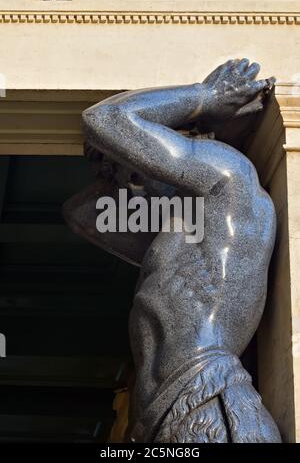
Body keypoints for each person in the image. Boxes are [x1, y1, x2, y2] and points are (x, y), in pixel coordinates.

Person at [64, 59, 281, 442]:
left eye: (134, 162)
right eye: (117, 175)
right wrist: (116, 165)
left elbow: (107, 119)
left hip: (207, 403)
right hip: (162, 419)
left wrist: (204, 98)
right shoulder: (172, 238)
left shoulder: (230, 184)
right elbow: (81, 213)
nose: (127, 183)